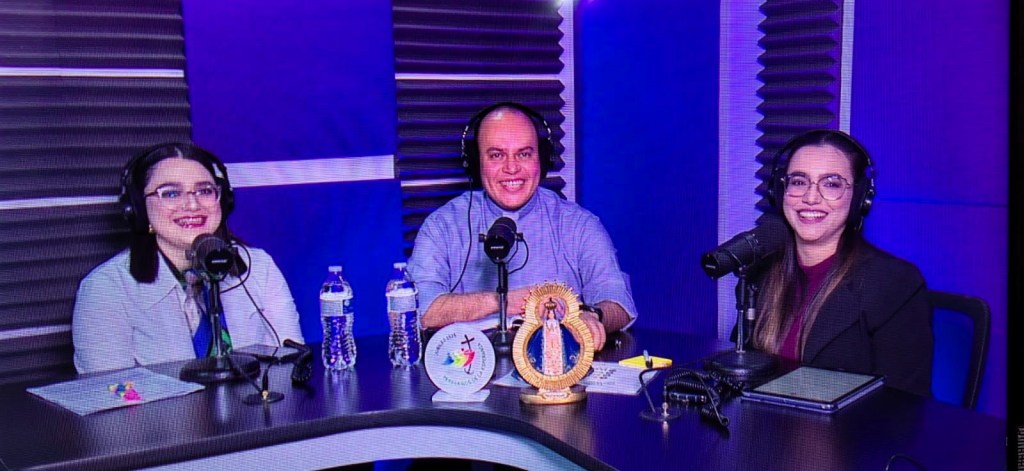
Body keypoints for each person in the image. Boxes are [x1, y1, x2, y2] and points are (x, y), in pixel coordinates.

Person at [407, 102, 637, 350]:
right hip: (470, 368)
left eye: (524, 154)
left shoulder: (579, 225)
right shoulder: (441, 227)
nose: (512, 168)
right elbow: (423, 311)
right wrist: (506, 302)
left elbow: (619, 302)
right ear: (475, 162)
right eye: (496, 155)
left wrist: (593, 316)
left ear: (542, 159)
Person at [72, 143, 304, 374]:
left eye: (204, 191)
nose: (192, 205)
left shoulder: (259, 267)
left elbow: (293, 367)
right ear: (138, 208)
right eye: (171, 193)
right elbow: (112, 391)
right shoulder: (106, 289)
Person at [749, 129, 932, 397]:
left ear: (859, 198)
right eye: (798, 181)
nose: (811, 197)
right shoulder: (762, 273)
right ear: (780, 191)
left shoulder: (894, 283)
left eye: (831, 184)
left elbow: (904, 406)